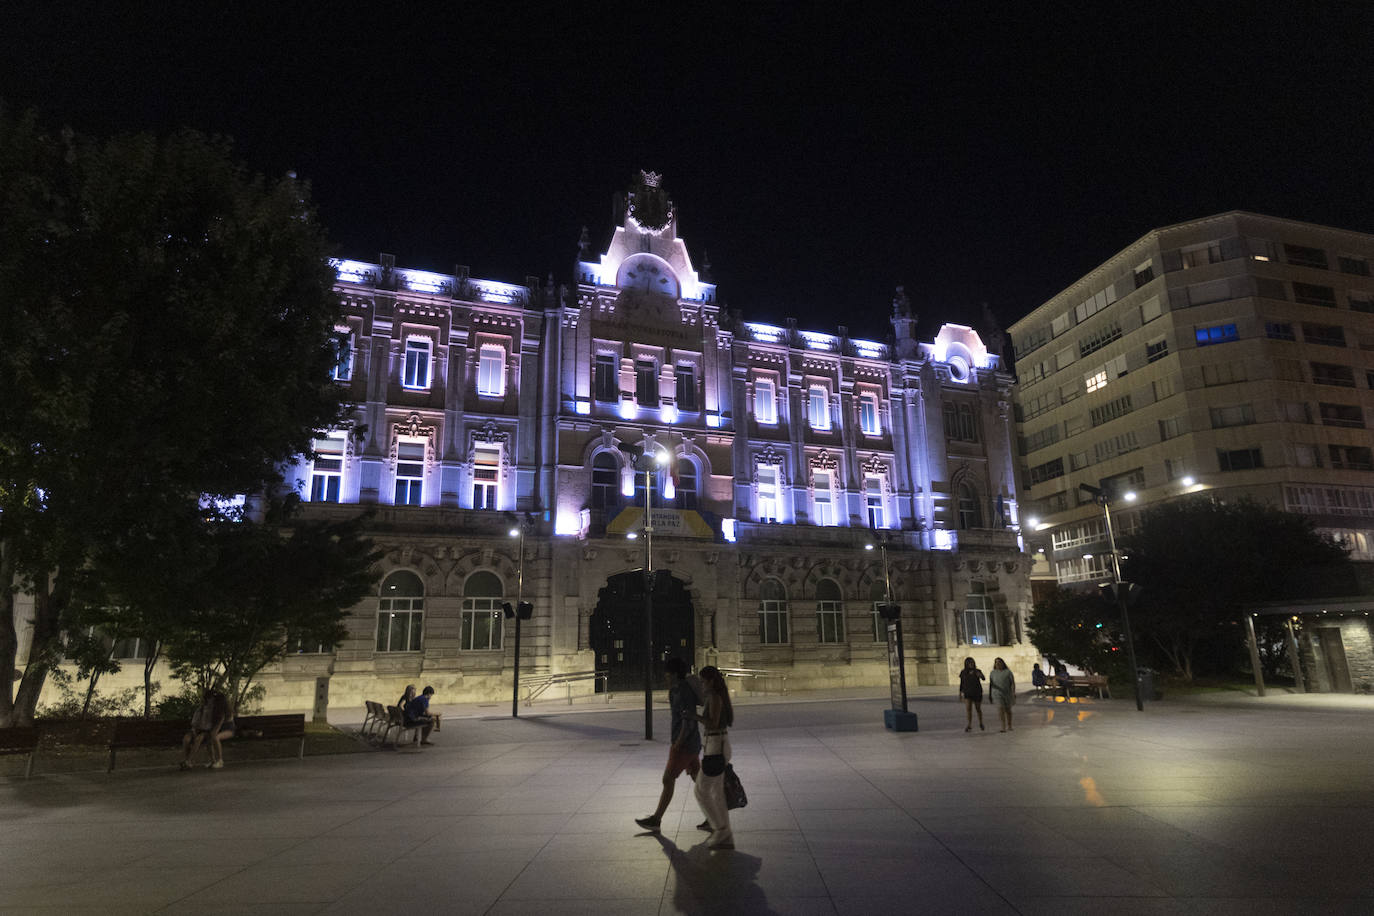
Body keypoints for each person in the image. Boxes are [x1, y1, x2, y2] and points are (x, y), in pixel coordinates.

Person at [635, 658, 702, 832]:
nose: (665, 676)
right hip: (691, 742)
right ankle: (716, 814)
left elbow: (687, 718)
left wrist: (678, 742)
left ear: (673, 674)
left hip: (684, 744)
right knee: (700, 780)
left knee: (668, 779)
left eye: (667, 673)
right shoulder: (676, 690)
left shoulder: (681, 691)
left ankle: (656, 819)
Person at [693, 665, 735, 850]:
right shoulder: (713, 697)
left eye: (703, 681)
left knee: (701, 790)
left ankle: (720, 829)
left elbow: (713, 723)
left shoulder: (715, 698)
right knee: (717, 793)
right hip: (716, 744)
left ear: (710, 681)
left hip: (716, 745)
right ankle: (725, 834)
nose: (702, 685)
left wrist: (694, 717)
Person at [181, 688, 234, 770]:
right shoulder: (205, 709)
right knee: (188, 739)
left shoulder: (222, 711)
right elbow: (196, 723)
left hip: (223, 730)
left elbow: (218, 724)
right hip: (205, 730)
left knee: (212, 738)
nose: (212, 702)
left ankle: (219, 760)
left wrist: (212, 732)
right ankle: (210, 760)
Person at [958, 657, 985, 732]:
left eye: (972, 662)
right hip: (967, 692)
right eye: (969, 663)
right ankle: (969, 724)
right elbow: (962, 683)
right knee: (968, 709)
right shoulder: (963, 672)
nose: (971, 664)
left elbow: (983, 678)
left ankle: (981, 723)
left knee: (978, 708)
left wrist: (980, 675)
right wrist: (960, 693)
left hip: (977, 692)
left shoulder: (977, 671)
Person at [988, 657, 1016, 732]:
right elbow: (991, 684)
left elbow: (1012, 683)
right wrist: (990, 695)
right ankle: (1003, 726)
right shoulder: (992, 673)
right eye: (996, 662)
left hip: (1007, 693)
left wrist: (1013, 693)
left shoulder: (1008, 672)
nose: (998, 664)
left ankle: (1009, 725)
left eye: (999, 662)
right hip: (996, 694)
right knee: (1000, 709)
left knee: (1008, 710)